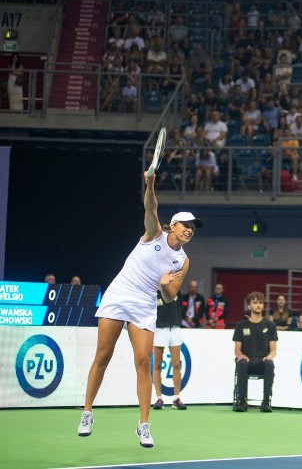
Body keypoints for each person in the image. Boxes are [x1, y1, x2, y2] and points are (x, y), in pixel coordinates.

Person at [78, 172, 199, 448]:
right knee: (103, 355)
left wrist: (165, 285)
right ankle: (87, 412)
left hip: (145, 302)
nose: (190, 230)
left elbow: (169, 298)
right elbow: (151, 207)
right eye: (187, 225)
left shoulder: (183, 260)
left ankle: (143, 425)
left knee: (144, 363)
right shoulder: (154, 232)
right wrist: (151, 183)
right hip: (120, 293)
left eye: (194, 228)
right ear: (175, 225)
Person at [233, 292, 277, 412]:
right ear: (249, 306)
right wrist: (241, 356)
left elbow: (273, 350)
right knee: (241, 362)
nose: (258, 305)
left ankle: (266, 401)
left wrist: (269, 356)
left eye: (261, 303)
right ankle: (242, 400)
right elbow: (237, 350)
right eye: (255, 302)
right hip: (247, 361)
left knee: (270, 364)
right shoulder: (241, 325)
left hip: (262, 361)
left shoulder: (270, 325)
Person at [151, 289, 186, 411]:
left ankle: (176, 398)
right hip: (159, 329)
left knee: (176, 363)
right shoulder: (154, 292)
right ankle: (159, 398)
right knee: (157, 364)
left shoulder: (176, 291)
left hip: (174, 329)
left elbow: (180, 309)